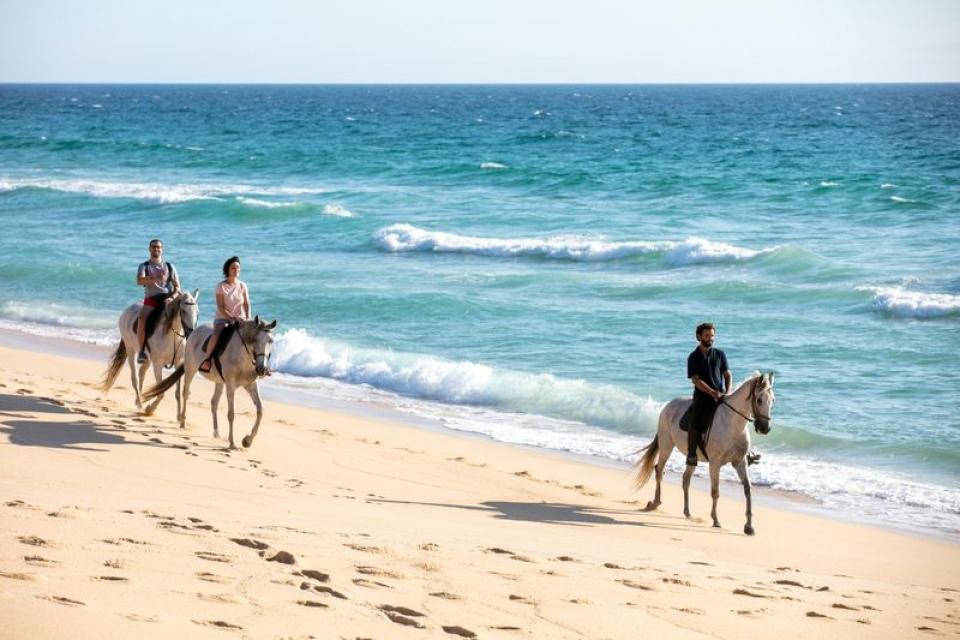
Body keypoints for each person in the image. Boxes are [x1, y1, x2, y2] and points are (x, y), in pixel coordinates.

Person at [686, 323, 761, 467]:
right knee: (695, 421)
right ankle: (691, 453)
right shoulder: (693, 357)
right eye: (707, 335)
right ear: (699, 336)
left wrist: (728, 391)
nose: (710, 338)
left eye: (712, 335)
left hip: (720, 396)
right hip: (702, 397)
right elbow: (695, 380)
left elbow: (727, 374)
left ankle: (746, 452)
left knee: (738, 418)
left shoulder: (720, 354)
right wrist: (710, 392)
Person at [199, 256, 251, 373]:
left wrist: (247, 318)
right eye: (233, 268)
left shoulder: (243, 286)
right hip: (223, 319)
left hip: (241, 319)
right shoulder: (221, 286)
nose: (236, 270)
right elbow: (220, 307)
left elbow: (247, 304)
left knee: (255, 335)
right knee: (217, 335)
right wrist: (232, 318)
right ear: (227, 269)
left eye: (238, 268)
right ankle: (207, 360)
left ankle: (258, 363)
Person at [136, 238, 180, 363]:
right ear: (149, 249)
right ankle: (142, 351)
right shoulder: (144, 266)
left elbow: (177, 287)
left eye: (158, 247)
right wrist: (156, 278)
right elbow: (139, 281)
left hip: (168, 299)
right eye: (154, 247)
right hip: (152, 299)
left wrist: (172, 298)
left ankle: (185, 345)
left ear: (162, 249)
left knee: (186, 313)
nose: (156, 249)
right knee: (142, 319)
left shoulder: (170, 267)